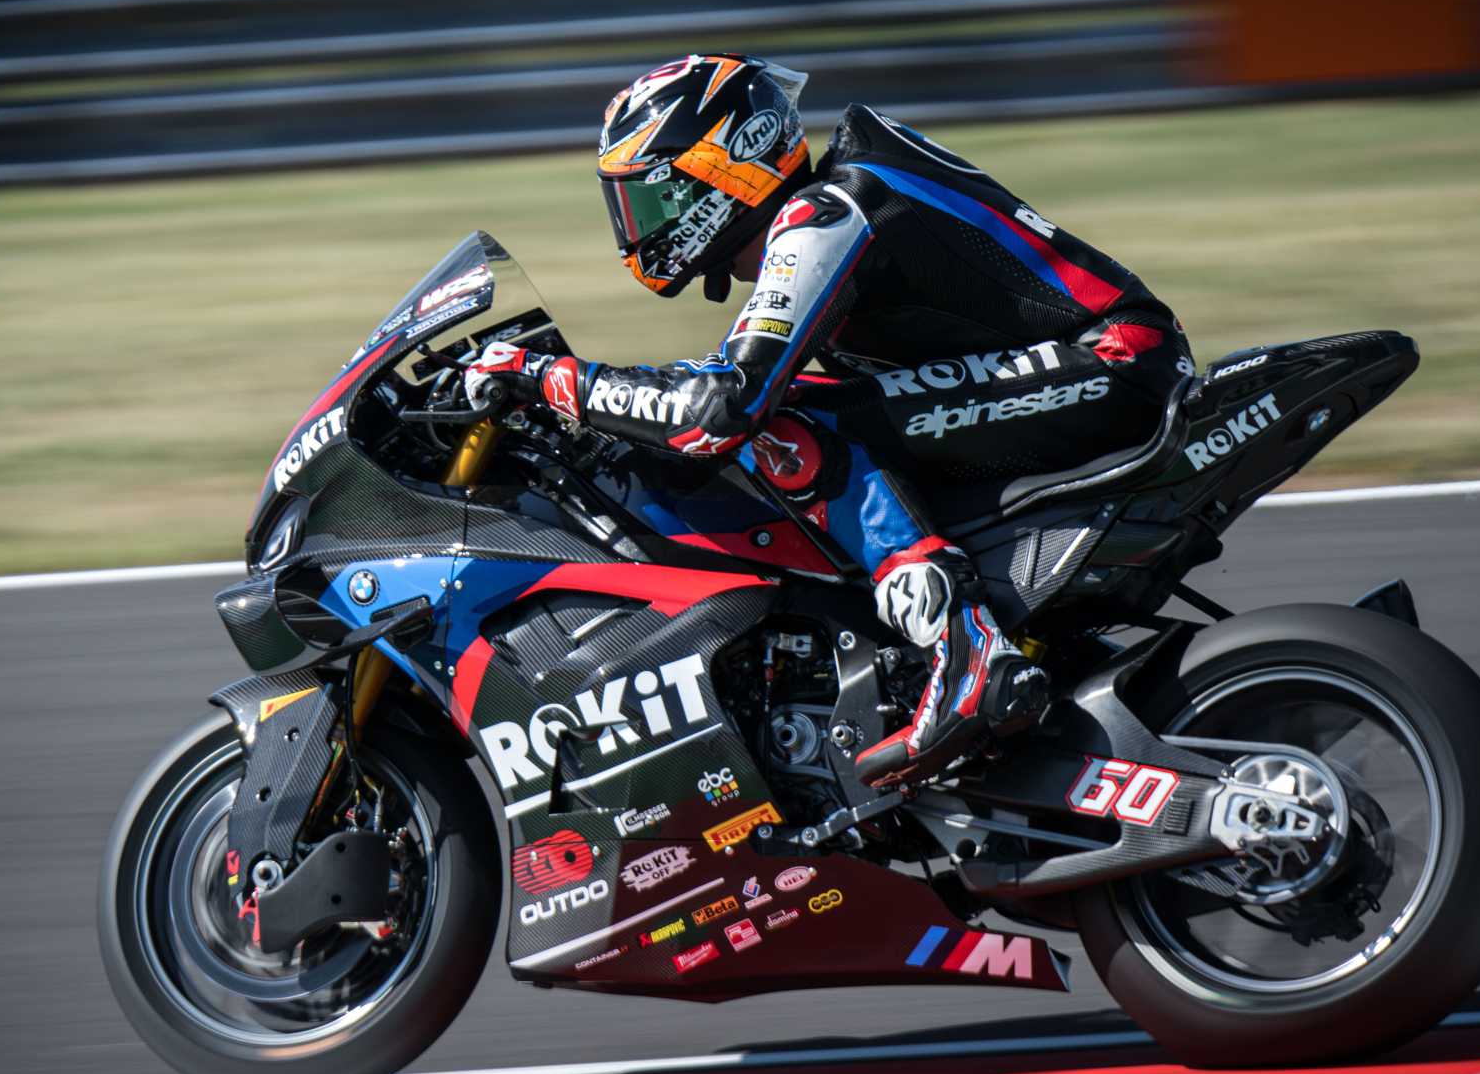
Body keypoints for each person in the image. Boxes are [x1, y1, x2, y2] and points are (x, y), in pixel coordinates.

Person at [465, 54, 1192, 787]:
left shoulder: (827, 213)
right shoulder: (830, 205)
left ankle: (963, 646)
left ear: (733, 160)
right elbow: (725, 381)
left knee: (780, 426)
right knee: (782, 408)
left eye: (659, 198)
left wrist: (546, 378)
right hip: (1077, 366)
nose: (642, 227)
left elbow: (722, 409)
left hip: (1111, 363)